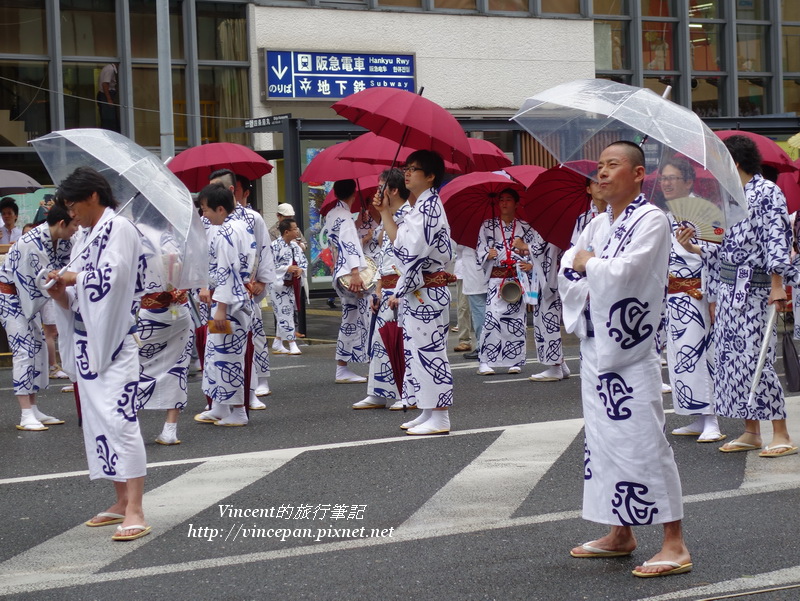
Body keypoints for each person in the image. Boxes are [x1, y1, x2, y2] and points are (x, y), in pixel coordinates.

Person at [560, 141, 690, 577]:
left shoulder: (652, 219)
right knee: (603, 442)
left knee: (645, 441)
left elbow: (631, 274)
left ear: (638, 174)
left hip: (629, 350)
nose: (602, 173)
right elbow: (567, 267)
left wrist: (590, 264)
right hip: (597, 348)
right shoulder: (598, 223)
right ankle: (621, 531)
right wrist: (589, 265)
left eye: (612, 165)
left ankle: (675, 542)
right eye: (599, 166)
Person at [46, 167, 150, 541]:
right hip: (89, 341)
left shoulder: (120, 229)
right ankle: (120, 499)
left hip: (116, 340)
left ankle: (136, 506)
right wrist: (61, 291)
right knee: (97, 423)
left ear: (92, 196)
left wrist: (76, 279)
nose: (69, 212)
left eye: (72, 203)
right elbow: (82, 296)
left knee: (121, 420)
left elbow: (117, 279)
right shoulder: (85, 236)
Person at [679, 135, 796, 457]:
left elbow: (776, 238)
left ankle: (781, 432)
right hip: (730, 290)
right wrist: (693, 247)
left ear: (736, 163)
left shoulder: (767, 192)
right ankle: (750, 431)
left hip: (758, 288)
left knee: (757, 359)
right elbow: (723, 250)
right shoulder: (728, 197)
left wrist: (777, 283)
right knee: (731, 360)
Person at [375, 150, 455, 436]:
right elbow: (400, 242)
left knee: (431, 353)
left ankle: (441, 415)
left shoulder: (431, 207)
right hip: (418, 293)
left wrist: (401, 286)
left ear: (430, 176)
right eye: (406, 168)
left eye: (414, 169)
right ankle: (427, 409)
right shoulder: (418, 207)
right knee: (416, 353)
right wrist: (385, 211)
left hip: (427, 292)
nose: (407, 173)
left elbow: (411, 253)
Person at [658, 157, 722, 442]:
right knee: (679, 359)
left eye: (672, 178)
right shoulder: (666, 215)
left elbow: (721, 254)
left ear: (688, 181)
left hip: (698, 294)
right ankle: (695, 415)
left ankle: (712, 419)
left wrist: (694, 247)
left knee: (700, 355)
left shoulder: (705, 212)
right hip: (672, 297)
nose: (667, 183)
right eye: (663, 179)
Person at [0, 204, 76, 431]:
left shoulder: (62, 240)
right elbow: (31, 284)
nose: (77, 228)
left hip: (32, 299)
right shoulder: (29, 242)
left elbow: (65, 267)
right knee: (24, 350)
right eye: (74, 224)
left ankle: (33, 408)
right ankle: (25, 413)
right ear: (62, 224)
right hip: (11, 296)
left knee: (38, 347)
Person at [210, 170, 276, 405]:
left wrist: (262, 281)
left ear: (229, 191)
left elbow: (265, 249)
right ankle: (220, 399)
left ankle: (255, 385)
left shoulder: (251, 217)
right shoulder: (209, 217)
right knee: (219, 347)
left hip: (245, 290)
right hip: (218, 292)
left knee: (252, 339)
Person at [193, 183, 257, 427]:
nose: (204, 215)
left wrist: (220, 306)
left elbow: (227, 271)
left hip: (229, 306)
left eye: (206, 210)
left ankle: (238, 411)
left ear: (220, 209)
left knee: (227, 356)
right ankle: (219, 406)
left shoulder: (226, 232)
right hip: (231, 301)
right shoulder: (238, 226)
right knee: (215, 352)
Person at [353, 167, 412, 410]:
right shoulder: (389, 217)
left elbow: (409, 259)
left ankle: (406, 392)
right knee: (380, 342)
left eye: (381, 188)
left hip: (403, 289)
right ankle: (379, 392)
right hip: (386, 288)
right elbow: (384, 258)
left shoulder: (409, 217)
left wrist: (399, 291)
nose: (377, 193)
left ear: (394, 190)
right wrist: (377, 290)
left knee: (402, 343)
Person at [135, 225, 194, 446]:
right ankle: (170, 429)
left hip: (151, 312)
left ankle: (132, 428)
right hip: (179, 310)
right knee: (177, 366)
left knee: (135, 367)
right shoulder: (178, 239)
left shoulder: (133, 238)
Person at [475, 188, 537, 376]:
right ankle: (485, 361)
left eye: (508, 199)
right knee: (492, 319)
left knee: (516, 320)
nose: (504, 203)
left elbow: (535, 249)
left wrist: (529, 263)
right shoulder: (487, 225)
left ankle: (515, 360)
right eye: (501, 200)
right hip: (497, 278)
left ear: (516, 204)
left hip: (517, 278)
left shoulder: (526, 227)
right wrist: (488, 253)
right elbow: (479, 249)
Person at [322, 179, 369, 383]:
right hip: (350, 273)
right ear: (354, 193)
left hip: (339, 271)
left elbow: (342, 241)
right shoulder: (345, 217)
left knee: (350, 318)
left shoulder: (333, 214)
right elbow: (349, 245)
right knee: (364, 316)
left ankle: (343, 367)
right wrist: (356, 273)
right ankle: (368, 363)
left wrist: (357, 223)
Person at [270, 217, 307, 355]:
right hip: (278, 285)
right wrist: (286, 268)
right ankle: (292, 343)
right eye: (295, 229)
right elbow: (269, 265)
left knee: (287, 313)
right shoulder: (274, 246)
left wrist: (300, 269)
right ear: (286, 232)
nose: (297, 231)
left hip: (292, 285)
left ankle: (278, 342)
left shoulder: (295, 246)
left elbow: (303, 262)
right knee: (285, 313)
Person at [97, 62, 120, 132]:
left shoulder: (109, 68)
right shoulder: (110, 69)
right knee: (109, 119)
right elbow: (105, 84)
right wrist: (109, 99)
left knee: (110, 119)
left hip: (106, 94)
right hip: (106, 94)